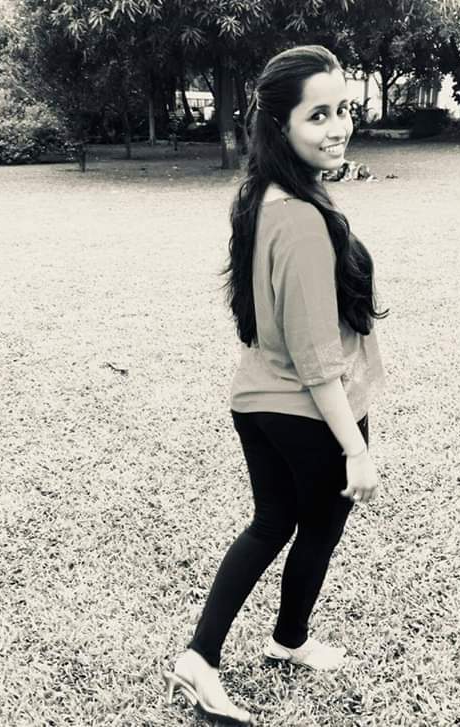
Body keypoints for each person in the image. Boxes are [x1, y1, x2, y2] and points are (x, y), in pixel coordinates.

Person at [163, 45, 389, 725]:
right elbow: (318, 358)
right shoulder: (299, 219)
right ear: (281, 124)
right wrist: (356, 448)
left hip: (259, 397)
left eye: (343, 109)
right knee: (313, 528)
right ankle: (219, 654)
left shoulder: (264, 194)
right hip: (307, 409)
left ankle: (273, 641)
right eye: (317, 115)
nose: (338, 127)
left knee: (275, 523)